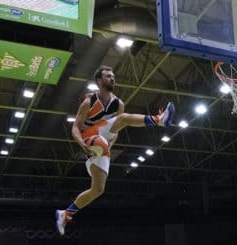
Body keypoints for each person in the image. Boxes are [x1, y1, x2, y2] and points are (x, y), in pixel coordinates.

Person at [55, 65, 176, 235]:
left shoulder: (119, 103)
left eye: (113, 76)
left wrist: (108, 146)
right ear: (99, 81)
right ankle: (158, 119)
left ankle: (66, 213)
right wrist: (81, 144)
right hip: (90, 137)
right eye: (108, 76)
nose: (112, 78)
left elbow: (116, 131)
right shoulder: (89, 100)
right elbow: (75, 127)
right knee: (124, 118)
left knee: (98, 190)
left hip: (102, 144)